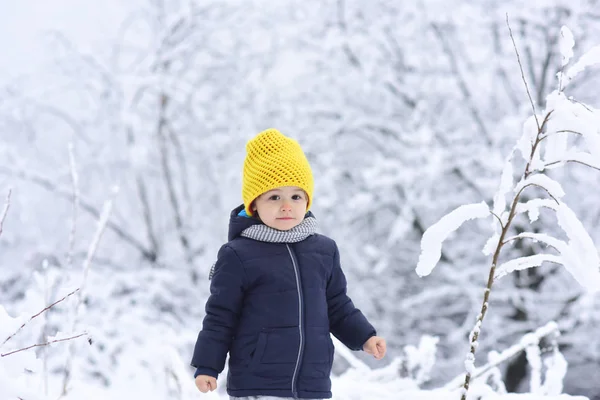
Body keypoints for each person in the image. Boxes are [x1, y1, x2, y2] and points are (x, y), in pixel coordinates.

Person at [191, 128, 386, 400]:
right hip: (258, 385)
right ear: (254, 204)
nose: (286, 206)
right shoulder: (237, 254)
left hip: (312, 385)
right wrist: (207, 366)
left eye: (296, 196)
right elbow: (221, 317)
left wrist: (364, 336)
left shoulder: (324, 250)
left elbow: (337, 305)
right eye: (274, 197)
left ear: (307, 200)